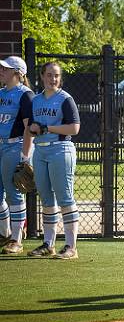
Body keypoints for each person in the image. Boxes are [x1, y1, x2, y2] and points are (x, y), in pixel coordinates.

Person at [25, 62, 81, 259]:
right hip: (40, 152)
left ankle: (71, 247)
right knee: (47, 200)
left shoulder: (65, 99)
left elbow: (74, 128)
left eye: (56, 75)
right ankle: (48, 244)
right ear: (42, 76)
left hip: (60, 150)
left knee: (65, 199)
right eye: (49, 75)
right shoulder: (36, 100)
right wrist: (26, 155)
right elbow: (31, 128)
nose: (53, 79)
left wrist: (47, 128)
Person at [0, 56, 34, 255]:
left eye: (5, 69)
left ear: (17, 73)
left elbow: (29, 128)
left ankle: (16, 239)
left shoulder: (25, 95)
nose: (1, 71)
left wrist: (25, 156)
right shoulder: (1, 93)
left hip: (15, 147)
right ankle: (5, 233)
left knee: (14, 193)